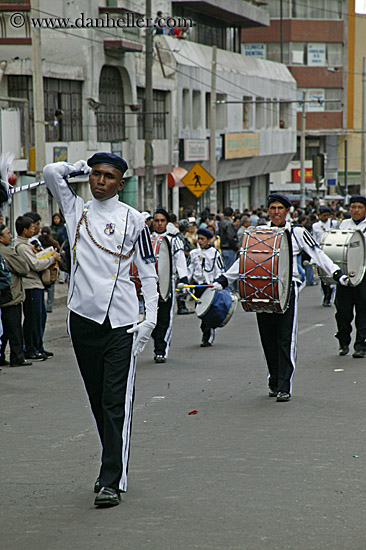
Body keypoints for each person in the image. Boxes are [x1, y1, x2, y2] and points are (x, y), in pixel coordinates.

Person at [44, 153, 158, 508]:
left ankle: (112, 478)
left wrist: (149, 319)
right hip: (83, 319)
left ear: (120, 184)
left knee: (115, 403)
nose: (100, 181)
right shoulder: (77, 210)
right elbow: (50, 172)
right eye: (95, 175)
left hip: (121, 323)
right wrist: (76, 167)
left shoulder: (134, 220)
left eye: (108, 176)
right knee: (97, 401)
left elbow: (149, 271)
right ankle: (111, 463)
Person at [213, 193, 349, 402]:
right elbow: (246, 260)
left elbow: (317, 253)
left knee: (285, 338)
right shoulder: (259, 233)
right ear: (268, 211)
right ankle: (274, 380)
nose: (276, 212)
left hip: (287, 291)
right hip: (261, 289)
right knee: (268, 338)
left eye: (280, 208)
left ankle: (284, 385)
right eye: (272, 208)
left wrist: (336, 272)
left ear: (287, 211)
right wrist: (224, 279)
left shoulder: (297, 232)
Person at [14, 216, 60, 361]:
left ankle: (38, 347)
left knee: (40, 317)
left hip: (37, 285)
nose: (34, 229)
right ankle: (31, 348)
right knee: (32, 319)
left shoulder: (29, 244)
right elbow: (35, 265)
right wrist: (52, 259)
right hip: (30, 285)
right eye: (32, 227)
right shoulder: (22, 247)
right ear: (25, 230)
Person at [151, 208, 189, 362]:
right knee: (151, 318)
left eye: (162, 221)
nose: (159, 224)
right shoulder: (146, 239)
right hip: (150, 284)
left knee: (165, 317)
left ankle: (161, 350)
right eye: (156, 221)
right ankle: (156, 339)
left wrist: (184, 279)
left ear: (167, 222)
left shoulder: (174, 240)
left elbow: (180, 259)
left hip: (168, 283)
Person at [334, 195, 366, 358]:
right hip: (345, 276)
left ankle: (360, 345)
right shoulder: (343, 225)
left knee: (363, 312)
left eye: (360, 207)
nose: (356, 210)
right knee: (343, 312)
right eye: (353, 207)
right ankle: (343, 341)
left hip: (363, 275)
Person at [0, 224, 32, 367]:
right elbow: (24, 268)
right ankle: (17, 357)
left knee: (4, 330)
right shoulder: (6, 252)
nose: (10, 236)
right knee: (14, 328)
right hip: (10, 295)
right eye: (7, 233)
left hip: (4, 294)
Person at [187, 228, 224, 347]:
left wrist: (218, 282)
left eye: (203, 239)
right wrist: (185, 283)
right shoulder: (194, 253)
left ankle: (207, 335)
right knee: (200, 311)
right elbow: (189, 270)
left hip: (210, 286)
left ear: (209, 240)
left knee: (207, 312)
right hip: (198, 286)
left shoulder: (214, 253)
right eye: (199, 238)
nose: (200, 241)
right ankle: (206, 330)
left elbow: (219, 270)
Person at [312, 206, 337, 306]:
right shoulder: (315, 226)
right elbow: (314, 239)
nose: (326, 217)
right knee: (322, 276)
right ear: (319, 216)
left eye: (327, 215)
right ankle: (326, 295)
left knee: (331, 274)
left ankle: (329, 296)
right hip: (320, 252)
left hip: (331, 251)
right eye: (324, 215)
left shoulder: (333, 223)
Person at [38, 226, 60, 313]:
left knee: (42, 287)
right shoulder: (54, 243)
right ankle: (49, 307)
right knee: (51, 288)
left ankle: (43, 305)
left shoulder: (38, 243)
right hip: (52, 267)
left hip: (42, 268)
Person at [218, 207, 238, 271]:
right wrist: (235, 247)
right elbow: (231, 237)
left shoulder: (221, 222)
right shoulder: (229, 224)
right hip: (229, 248)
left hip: (223, 247)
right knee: (229, 269)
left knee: (225, 267)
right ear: (232, 214)